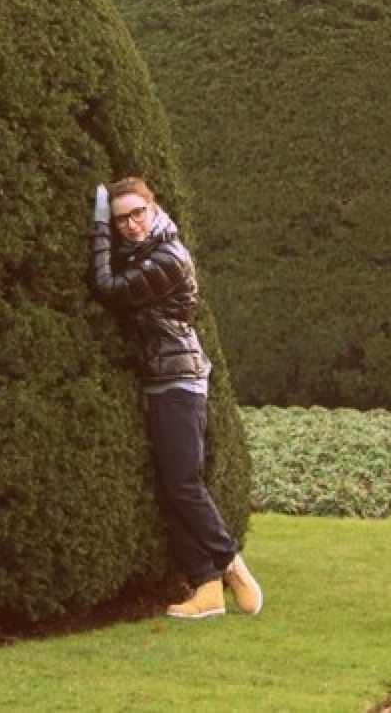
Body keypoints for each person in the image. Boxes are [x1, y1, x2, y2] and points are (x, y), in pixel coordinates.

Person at [88, 176, 263, 620]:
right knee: (172, 487)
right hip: (161, 375)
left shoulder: (168, 257)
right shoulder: (145, 252)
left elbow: (108, 288)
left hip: (178, 378)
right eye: (120, 219)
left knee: (184, 483)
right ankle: (206, 587)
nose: (130, 224)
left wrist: (99, 227)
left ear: (154, 208)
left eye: (137, 213)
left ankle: (230, 562)